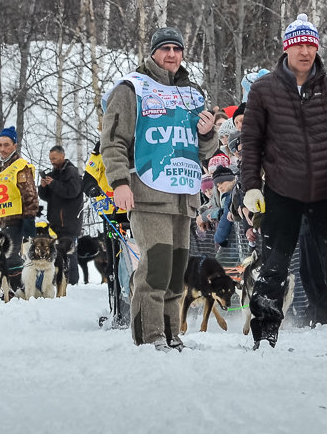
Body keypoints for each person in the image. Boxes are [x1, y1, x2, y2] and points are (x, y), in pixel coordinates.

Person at [243, 14, 327, 350]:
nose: (305, 51)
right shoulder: (264, 90)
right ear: (287, 48)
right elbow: (252, 143)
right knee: (272, 266)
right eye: (299, 44)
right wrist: (250, 186)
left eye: (311, 44)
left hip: (325, 191)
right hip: (280, 190)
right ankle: (265, 334)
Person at [101, 25, 218, 350]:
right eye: (164, 48)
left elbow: (204, 152)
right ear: (153, 52)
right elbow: (113, 142)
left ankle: (170, 334)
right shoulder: (131, 88)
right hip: (147, 193)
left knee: (176, 271)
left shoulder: (191, 93)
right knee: (156, 267)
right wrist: (120, 182)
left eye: (176, 49)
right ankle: (148, 336)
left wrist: (208, 134)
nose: (171, 54)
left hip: (183, 197)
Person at [83, 141, 130, 328]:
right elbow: (88, 177)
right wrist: (91, 188)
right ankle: (117, 309)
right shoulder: (102, 149)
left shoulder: (138, 143)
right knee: (114, 263)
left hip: (137, 212)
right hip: (112, 214)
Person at [0, 126, 39, 297]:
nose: (3, 149)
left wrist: (29, 219)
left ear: (15, 145)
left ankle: (20, 288)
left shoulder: (20, 166)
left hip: (17, 219)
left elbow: (30, 194)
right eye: (0, 145)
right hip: (1, 218)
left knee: (10, 255)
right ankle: (11, 287)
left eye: (7, 145)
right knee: (0, 255)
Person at [38, 144, 83, 285]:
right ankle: (58, 280)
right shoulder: (53, 174)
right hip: (55, 222)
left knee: (69, 252)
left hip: (69, 222)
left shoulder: (71, 172)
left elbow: (72, 192)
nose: (52, 161)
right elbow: (47, 197)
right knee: (56, 253)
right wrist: (43, 187)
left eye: (55, 158)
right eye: (50, 159)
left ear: (62, 156)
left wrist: (54, 184)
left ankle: (73, 282)